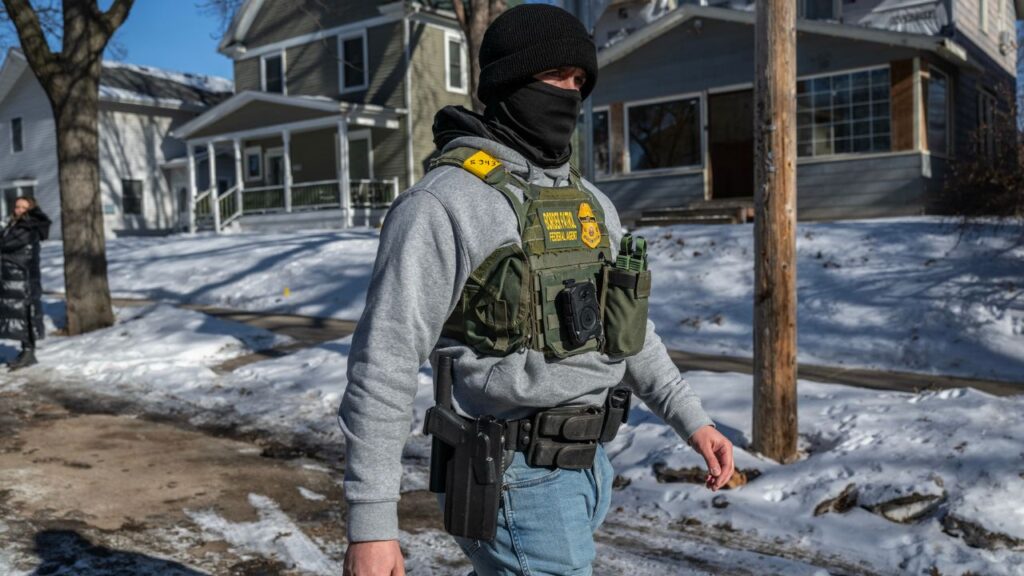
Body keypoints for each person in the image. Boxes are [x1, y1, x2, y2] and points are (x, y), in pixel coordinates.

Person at [339, 5, 734, 575]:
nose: (570, 94)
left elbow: (627, 329)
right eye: (556, 77)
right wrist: (372, 523)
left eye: (581, 81)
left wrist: (691, 418)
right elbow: (385, 361)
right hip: (513, 478)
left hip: (590, 467)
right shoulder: (443, 203)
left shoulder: (591, 203)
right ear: (508, 82)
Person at [0, 196, 51, 370]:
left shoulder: (29, 227)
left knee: (26, 315)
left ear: (31, 209)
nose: (19, 210)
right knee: (21, 315)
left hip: (23, 278)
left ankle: (29, 352)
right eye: (17, 206)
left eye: (23, 207)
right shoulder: (16, 224)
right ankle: (25, 351)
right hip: (15, 277)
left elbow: (8, 244)